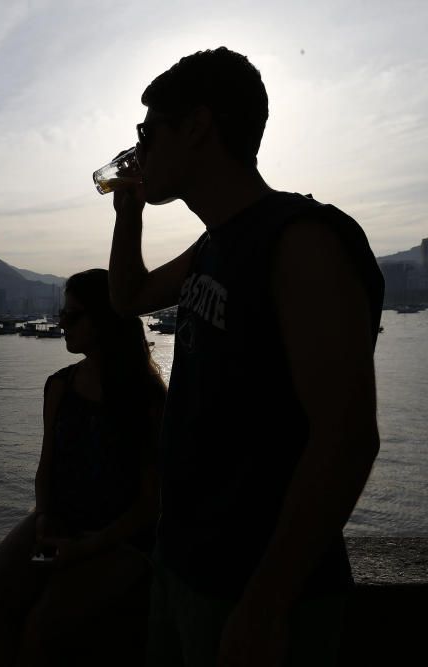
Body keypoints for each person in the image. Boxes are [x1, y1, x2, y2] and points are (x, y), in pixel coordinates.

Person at [106, 48, 384, 666]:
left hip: (251, 594)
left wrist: (265, 604)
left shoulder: (302, 240)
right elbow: (128, 298)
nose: (139, 150)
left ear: (199, 127)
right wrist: (128, 212)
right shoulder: (214, 244)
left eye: (149, 132)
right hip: (184, 568)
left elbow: (347, 439)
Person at [0, 268, 166, 666]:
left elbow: (152, 503)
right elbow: (48, 466)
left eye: (73, 315)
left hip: (123, 539)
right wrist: (44, 515)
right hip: (61, 522)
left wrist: (85, 548)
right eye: (63, 313)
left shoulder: (146, 400)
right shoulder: (60, 386)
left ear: (105, 320)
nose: (61, 322)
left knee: (44, 629)